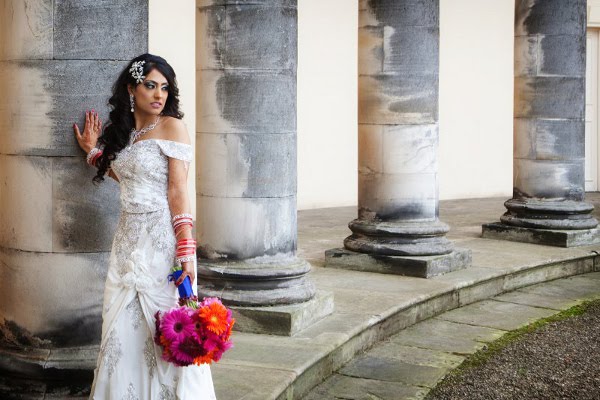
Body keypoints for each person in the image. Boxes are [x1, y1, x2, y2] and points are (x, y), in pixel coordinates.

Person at [73, 54, 217, 399]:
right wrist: (94, 152)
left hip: (161, 239)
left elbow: (177, 190)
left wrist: (185, 246)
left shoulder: (172, 127)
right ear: (131, 89)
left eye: (164, 88)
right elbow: (124, 176)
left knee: (165, 325)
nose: (159, 95)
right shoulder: (125, 133)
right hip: (126, 240)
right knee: (121, 326)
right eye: (150, 85)